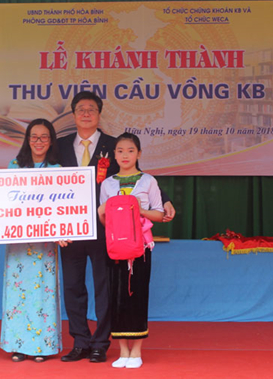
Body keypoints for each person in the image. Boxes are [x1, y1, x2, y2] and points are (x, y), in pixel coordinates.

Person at [57, 91, 176, 363]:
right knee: (73, 287)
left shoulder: (114, 144)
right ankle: (79, 341)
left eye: (91, 109)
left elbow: (138, 178)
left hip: (107, 229)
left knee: (104, 287)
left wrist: (165, 200)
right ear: (73, 114)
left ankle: (101, 342)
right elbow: (46, 180)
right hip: (71, 227)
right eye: (80, 109)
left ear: (99, 115)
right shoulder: (60, 145)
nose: (86, 113)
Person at [97, 132, 163, 369]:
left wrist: (135, 209)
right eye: (120, 151)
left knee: (137, 296)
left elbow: (160, 213)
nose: (125, 155)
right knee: (117, 298)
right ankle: (122, 351)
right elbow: (104, 220)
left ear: (139, 153)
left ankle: (136, 351)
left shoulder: (148, 181)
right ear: (114, 154)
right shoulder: (108, 183)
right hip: (116, 248)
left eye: (130, 150)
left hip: (141, 248)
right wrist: (106, 211)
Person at [0, 118, 63, 363]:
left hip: (45, 246)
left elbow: (64, 208)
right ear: (27, 139)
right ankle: (18, 345)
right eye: (34, 136)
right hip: (18, 245)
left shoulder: (57, 170)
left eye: (44, 137)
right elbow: (6, 203)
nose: (39, 142)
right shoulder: (14, 167)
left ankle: (42, 347)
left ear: (51, 140)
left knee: (43, 294)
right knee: (18, 292)